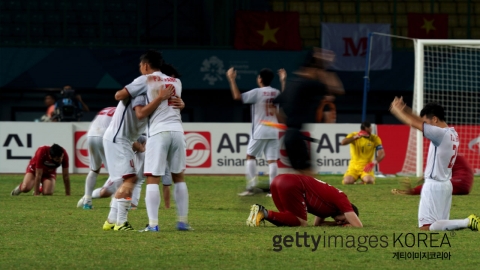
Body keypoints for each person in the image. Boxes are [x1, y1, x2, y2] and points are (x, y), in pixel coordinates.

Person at [115, 50, 190, 232]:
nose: (140, 69)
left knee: (152, 178)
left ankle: (153, 225)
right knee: (178, 177)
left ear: (146, 65)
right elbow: (177, 103)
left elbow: (119, 96)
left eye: (141, 66)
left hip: (159, 132)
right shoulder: (176, 82)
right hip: (178, 131)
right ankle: (182, 222)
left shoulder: (146, 79)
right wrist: (183, 104)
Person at [389, 98, 479, 231]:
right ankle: (466, 223)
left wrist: (397, 111)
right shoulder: (452, 133)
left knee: (426, 227)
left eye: (428, 122)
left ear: (435, 119)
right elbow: (420, 121)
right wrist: (405, 109)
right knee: (440, 225)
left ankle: (467, 222)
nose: (426, 125)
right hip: (446, 184)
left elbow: (414, 123)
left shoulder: (439, 133)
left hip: (434, 186)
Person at [273, 48, 344, 175]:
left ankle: (268, 190)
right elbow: (338, 89)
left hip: (289, 135)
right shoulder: (308, 84)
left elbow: (272, 104)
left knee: (299, 176)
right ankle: (266, 190)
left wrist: (285, 121)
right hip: (295, 136)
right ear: (311, 69)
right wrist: (324, 67)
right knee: (309, 175)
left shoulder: (292, 84)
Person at [226, 67, 282, 196]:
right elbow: (283, 99)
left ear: (260, 79)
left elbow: (237, 97)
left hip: (260, 130)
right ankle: (273, 191)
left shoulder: (257, 92)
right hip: (274, 130)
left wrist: (232, 80)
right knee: (272, 161)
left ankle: (251, 188)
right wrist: (283, 81)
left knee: (250, 157)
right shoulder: (276, 92)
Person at [246, 174, 362, 227]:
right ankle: (263, 212)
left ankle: (260, 214)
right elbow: (358, 226)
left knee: (288, 219)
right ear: (348, 212)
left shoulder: (330, 210)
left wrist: (336, 225)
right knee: (301, 223)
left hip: (280, 180)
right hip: (292, 184)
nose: (340, 223)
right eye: (344, 220)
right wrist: (350, 224)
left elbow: (317, 224)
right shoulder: (342, 199)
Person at [392, 154, 474, 195]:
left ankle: (411, 191)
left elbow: (435, 173)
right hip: (465, 186)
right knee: (437, 186)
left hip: (459, 183)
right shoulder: (456, 156)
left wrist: (425, 177)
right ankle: (413, 190)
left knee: (433, 185)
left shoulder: (445, 156)